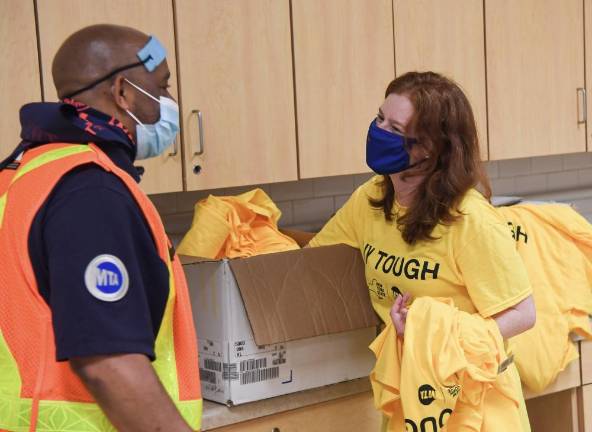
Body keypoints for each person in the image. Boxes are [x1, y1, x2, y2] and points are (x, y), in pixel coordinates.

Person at [0, 25, 201, 431]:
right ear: (123, 92)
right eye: (161, 88)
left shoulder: (24, 175)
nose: (168, 103)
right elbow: (108, 364)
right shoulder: (90, 192)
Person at [308, 71, 536, 430]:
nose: (379, 131)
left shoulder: (469, 220)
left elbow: (523, 313)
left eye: (395, 130)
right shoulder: (369, 199)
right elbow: (315, 262)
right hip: (411, 396)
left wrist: (433, 328)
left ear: (430, 146)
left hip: (474, 403)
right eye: (379, 118)